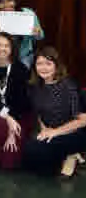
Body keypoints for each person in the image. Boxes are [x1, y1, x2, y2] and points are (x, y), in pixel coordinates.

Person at [22, 46, 86, 177]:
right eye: (39, 64)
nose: (43, 68)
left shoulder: (69, 85)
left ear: (57, 65)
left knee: (43, 160)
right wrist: (44, 130)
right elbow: (38, 113)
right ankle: (69, 156)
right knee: (29, 154)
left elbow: (82, 120)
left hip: (72, 132)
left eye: (48, 64)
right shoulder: (36, 86)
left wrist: (55, 132)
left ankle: (72, 155)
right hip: (49, 130)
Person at [0, 33, 33, 170]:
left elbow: (22, 103)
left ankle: (3, 148)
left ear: (12, 49)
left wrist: (12, 129)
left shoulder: (21, 70)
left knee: (10, 161)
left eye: (6, 45)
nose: (2, 49)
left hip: (20, 115)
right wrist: (7, 117)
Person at [0, 0, 44, 68]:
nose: (6, 5)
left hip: (24, 56)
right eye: (2, 3)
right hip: (3, 55)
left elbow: (41, 37)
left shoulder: (27, 13)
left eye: (9, 1)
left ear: (15, 2)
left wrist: (37, 33)